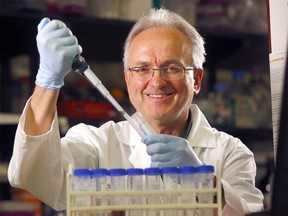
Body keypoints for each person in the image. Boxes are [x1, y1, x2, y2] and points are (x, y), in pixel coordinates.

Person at [8, 8, 263, 215]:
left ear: (196, 79)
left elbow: (245, 212)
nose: (156, 81)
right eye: (141, 69)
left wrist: (204, 182)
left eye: (172, 68)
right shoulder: (96, 145)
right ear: (127, 79)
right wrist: (47, 81)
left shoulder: (231, 154)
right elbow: (33, 175)